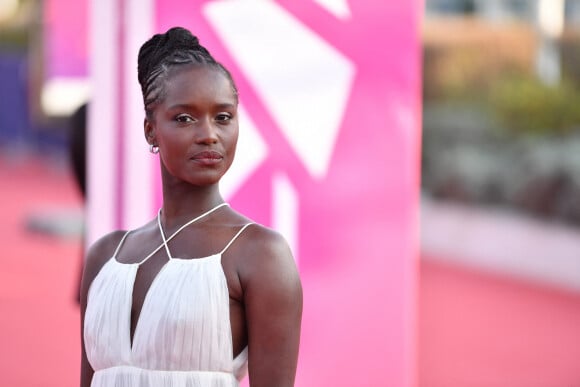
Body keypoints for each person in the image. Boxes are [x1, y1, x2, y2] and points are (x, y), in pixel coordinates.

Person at [80, 27, 303, 387]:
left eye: (223, 117)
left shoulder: (260, 254)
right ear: (150, 130)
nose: (209, 134)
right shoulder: (106, 256)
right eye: (185, 118)